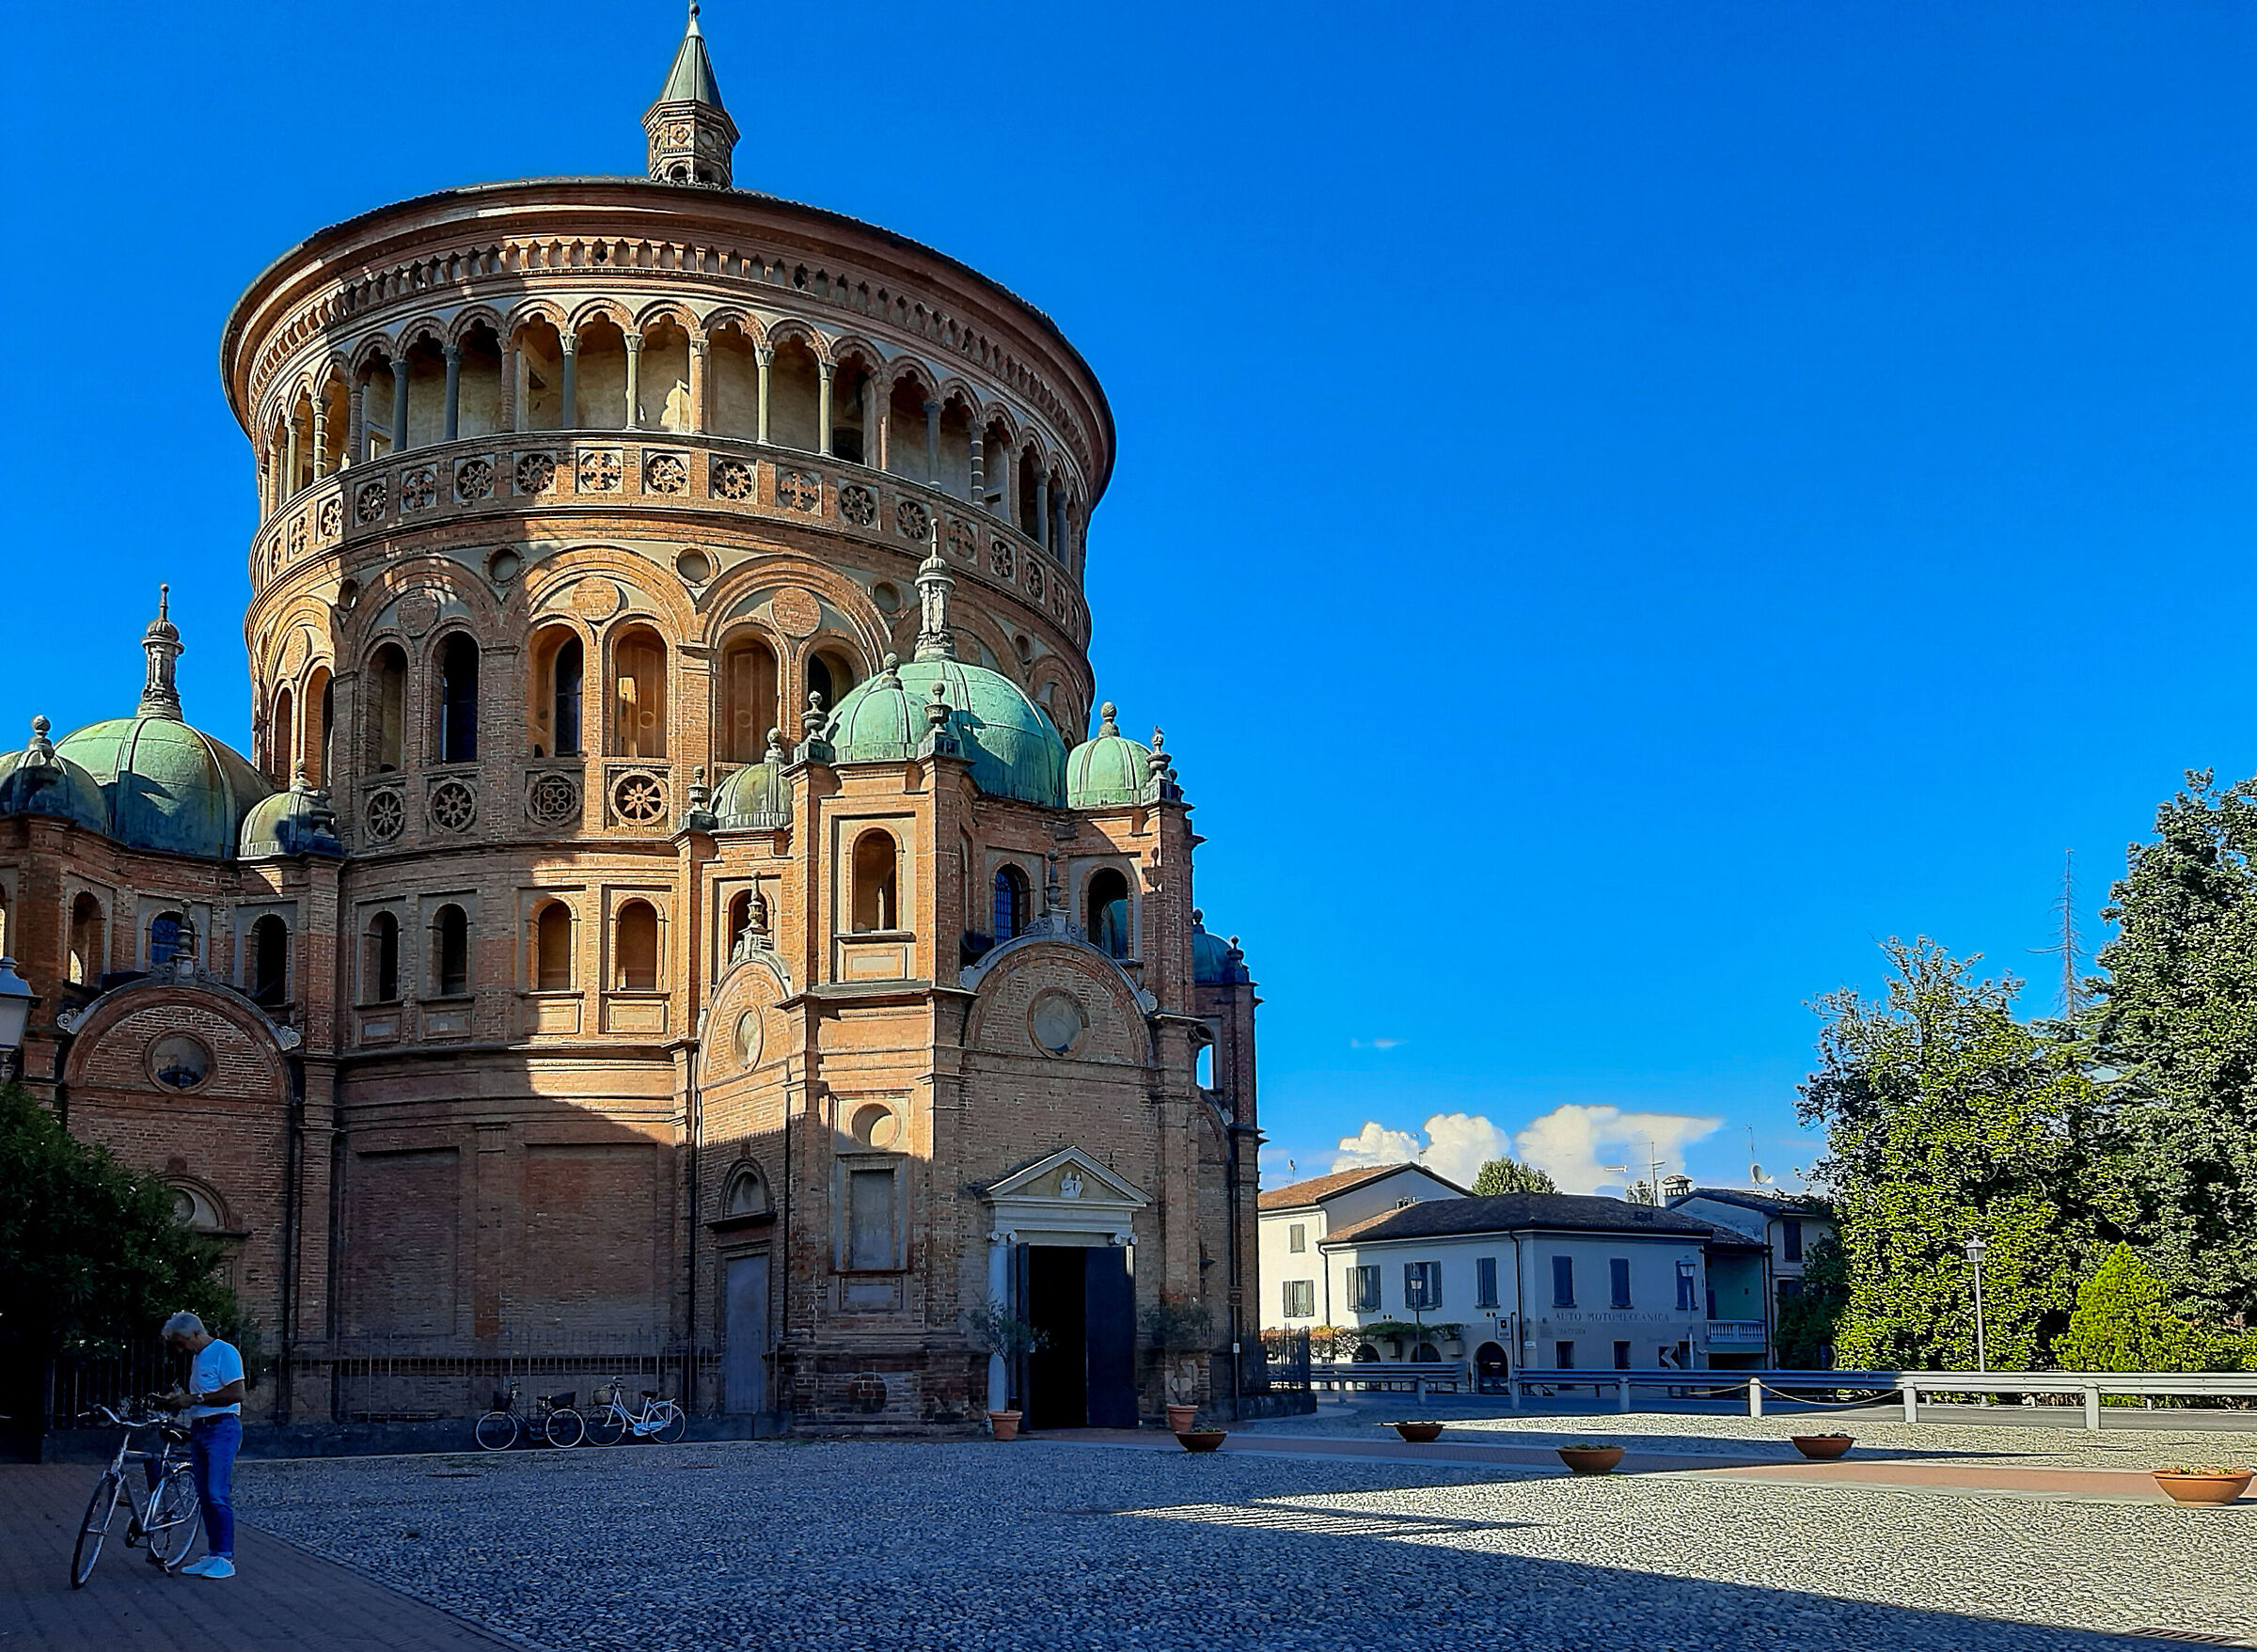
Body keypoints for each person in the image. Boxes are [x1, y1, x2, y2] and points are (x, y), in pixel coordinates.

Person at [154, 1311, 244, 1579]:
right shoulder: (199, 1356)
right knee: (205, 1494)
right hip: (202, 1428)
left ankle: (225, 1557)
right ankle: (215, 1553)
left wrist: (195, 1399)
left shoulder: (224, 1352)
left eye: (181, 1342)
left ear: (195, 1333)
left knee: (217, 1492)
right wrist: (182, 1399)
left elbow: (237, 1393)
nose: (180, 1348)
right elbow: (204, 1394)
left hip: (221, 1427)